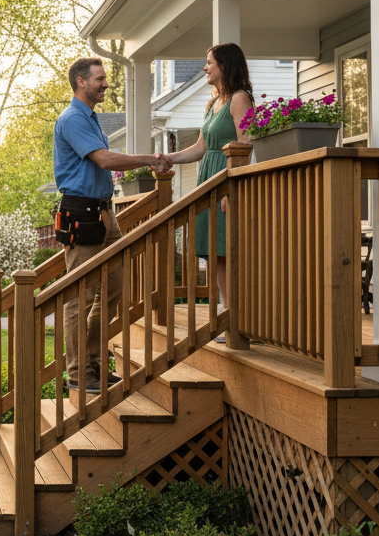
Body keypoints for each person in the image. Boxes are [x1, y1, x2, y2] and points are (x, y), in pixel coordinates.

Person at [53, 57, 171, 391]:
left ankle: (94, 364)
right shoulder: (73, 118)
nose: (106, 83)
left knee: (114, 287)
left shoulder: (91, 119)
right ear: (81, 82)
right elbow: (103, 160)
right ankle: (78, 373)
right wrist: (149, 158)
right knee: (80, 296)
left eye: (105, 78)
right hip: (82, 215)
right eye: (100, 78)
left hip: (106, 213)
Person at [154, 44, 253, 340]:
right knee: (216, 254)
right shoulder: (212, 104)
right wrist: (169, 158)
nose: (205, 68)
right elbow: (200, 148)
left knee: (232, 252)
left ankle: (243, 320)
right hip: (208, 181)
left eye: (209, 63)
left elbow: (245, 144)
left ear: (225, 65)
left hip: (227, 181)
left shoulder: (240, 98)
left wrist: (231, 188)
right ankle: (227, 315)